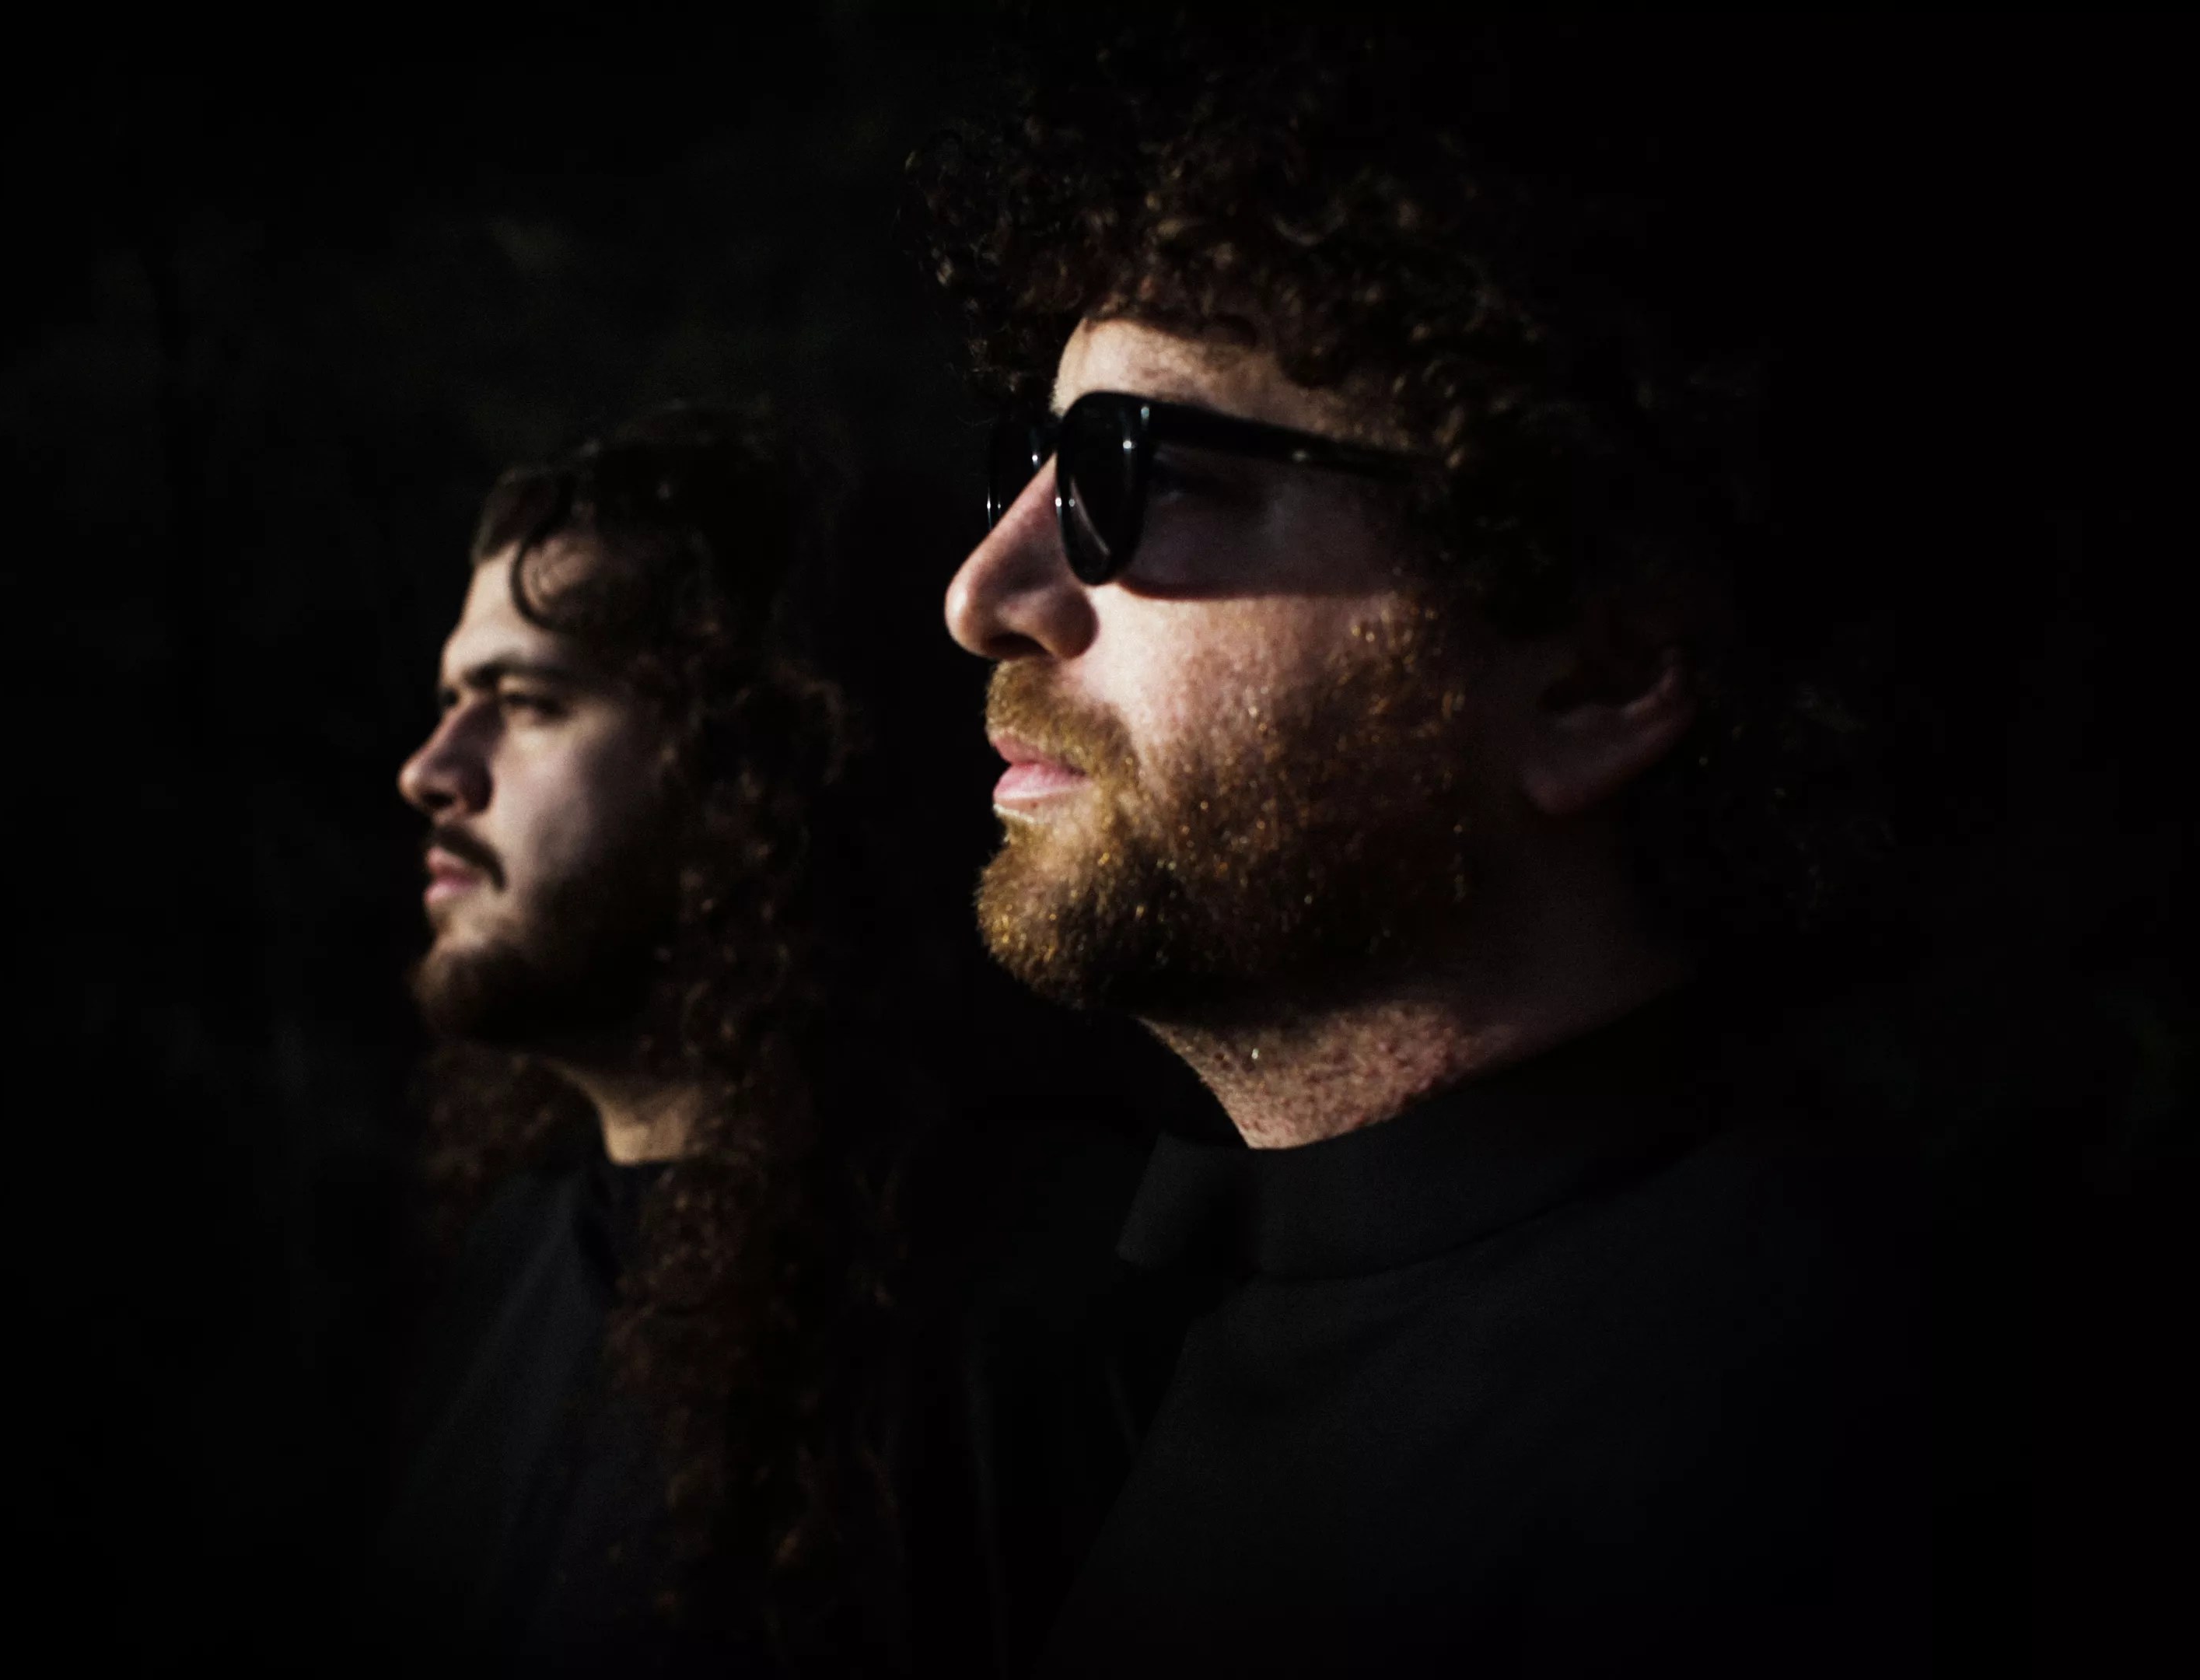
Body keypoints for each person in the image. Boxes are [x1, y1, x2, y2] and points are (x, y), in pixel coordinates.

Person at [911, 19, 2051, 1674]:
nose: (983, 596)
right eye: (1034, 468)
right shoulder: (1137, 1355)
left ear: (1595, 679)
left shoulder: (1834, 1455)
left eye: (1142, 476)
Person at [367, 402, 1177, 1676]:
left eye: (526, 701)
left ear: (749, 768)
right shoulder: (510, 1256)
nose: (431, 768)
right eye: (449, 699)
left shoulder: (1034, 1307)